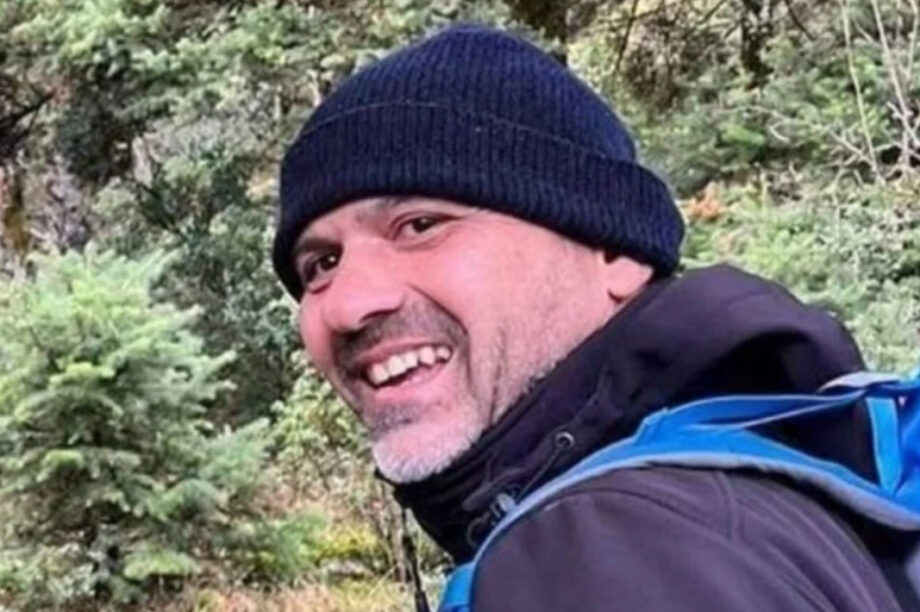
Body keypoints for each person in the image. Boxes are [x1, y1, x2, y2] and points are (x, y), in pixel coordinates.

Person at [272, 24, 917, 611]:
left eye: (420, 225)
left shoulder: (602, 549)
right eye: (320, 264)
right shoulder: (756, 491)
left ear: (613, 251)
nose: (349, 305)